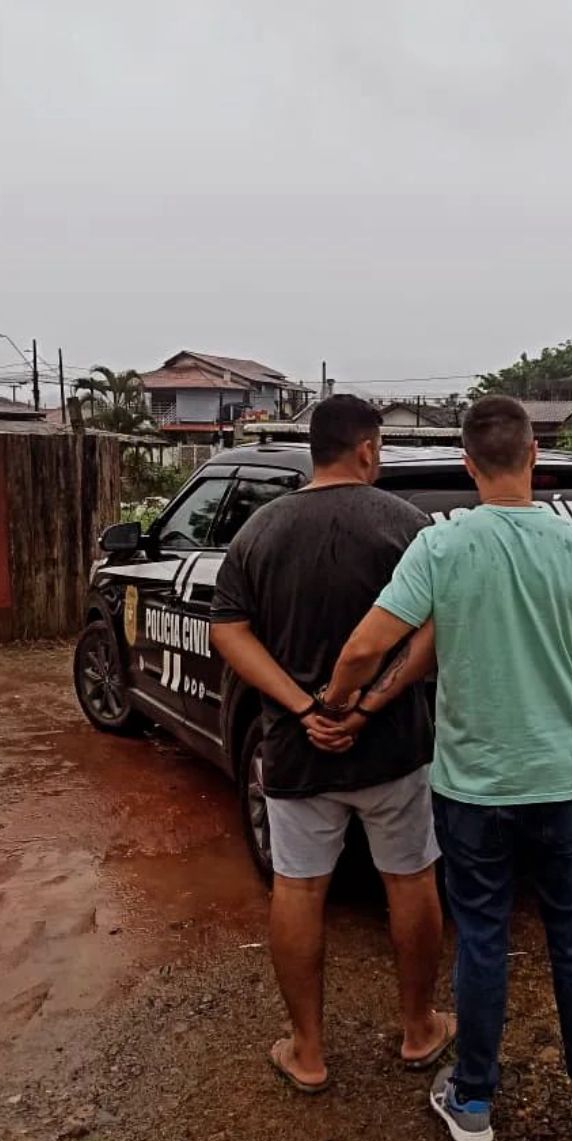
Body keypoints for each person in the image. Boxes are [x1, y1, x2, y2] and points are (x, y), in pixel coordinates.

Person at [321, 395, 572, 1141]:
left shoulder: (441, 547)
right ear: (533, 456)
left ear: (469, 466)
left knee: (481, 939)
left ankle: (471, 1101)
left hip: (470, 788)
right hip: (566, 780)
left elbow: (366, 648)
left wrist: (337, 703)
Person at [209, 394, 454, 1094]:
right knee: (408, 879)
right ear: (367, 449)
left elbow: (229, 630)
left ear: (313, 449)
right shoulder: (407, 527)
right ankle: (417, 1029)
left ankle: (308, 1052)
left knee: (299, 885)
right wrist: (368, 706)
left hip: (296, 750)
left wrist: (301, 706)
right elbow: (434, 630)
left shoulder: (260, 529)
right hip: (393, 746)